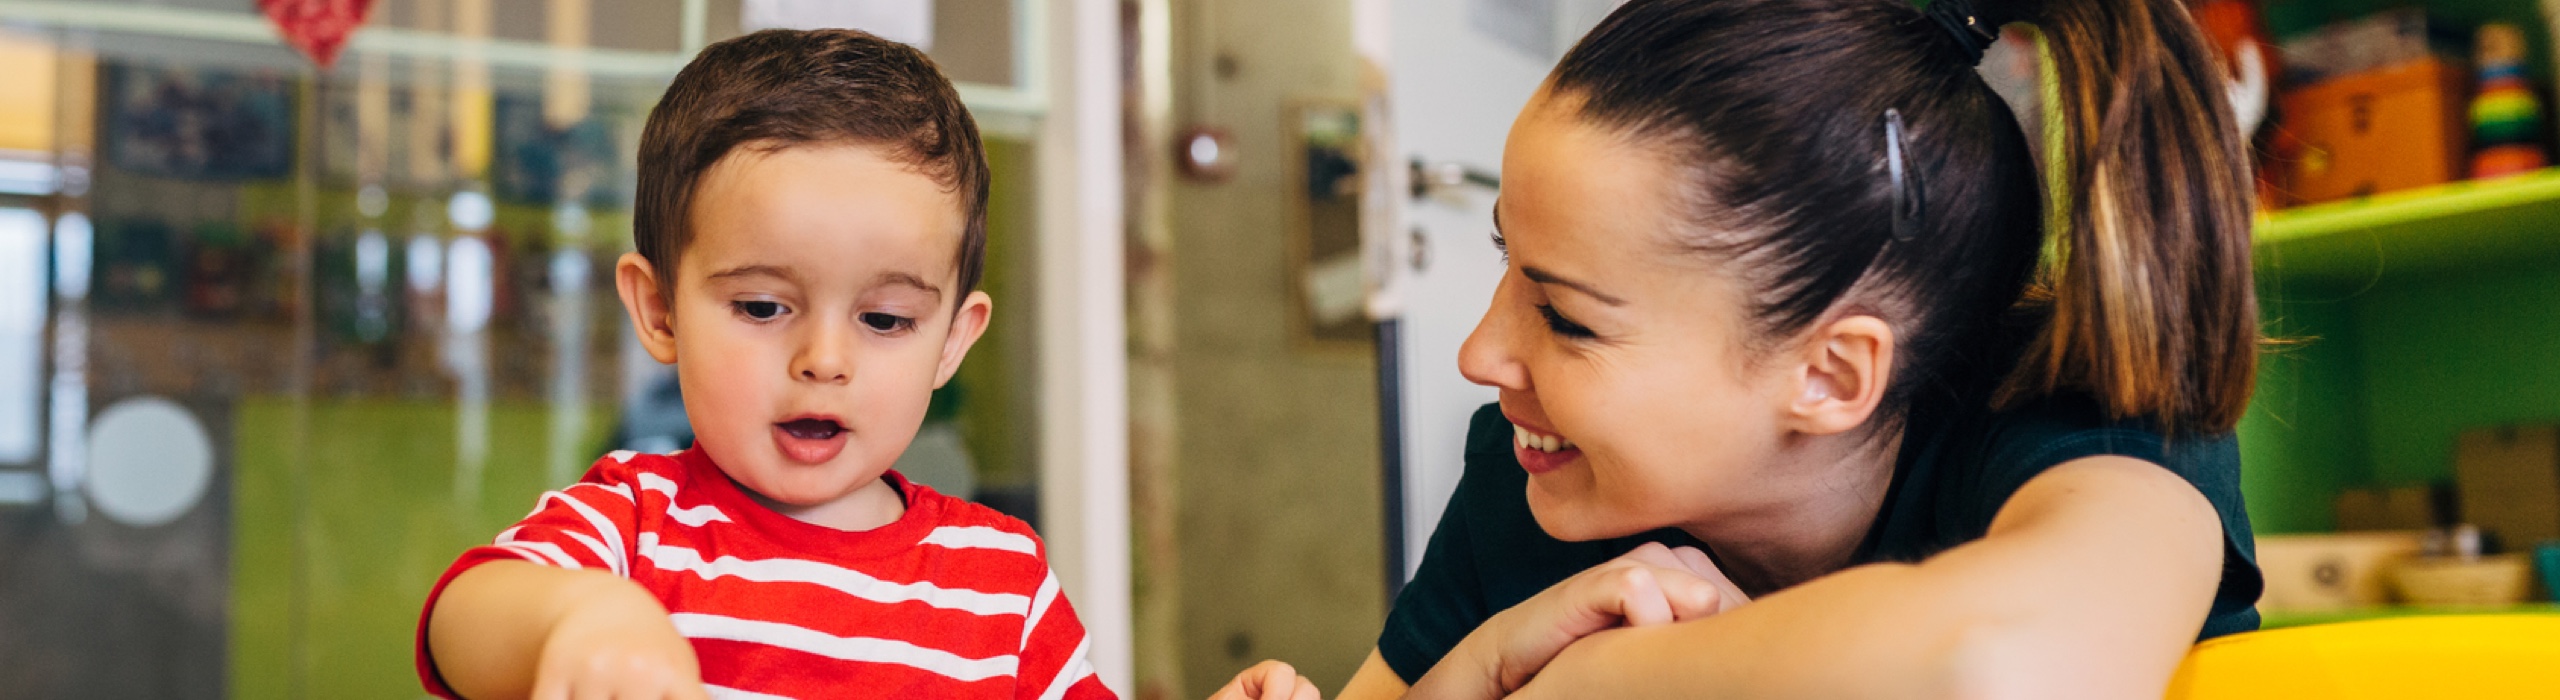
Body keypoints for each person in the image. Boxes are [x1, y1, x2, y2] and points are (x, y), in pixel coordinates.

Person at [1221, 0, 2262, 697]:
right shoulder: (1536, 477)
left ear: (1828, 373)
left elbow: (1998, 663)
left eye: (1568, 317)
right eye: (1506, 263)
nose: (1480, 355)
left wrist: (1593, 683)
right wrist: (1490, 661)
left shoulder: (2082, 425)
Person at [414, 29, 1113, 700]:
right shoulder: (633, 524)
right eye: (760, 308)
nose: (824, 360)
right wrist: (577, 617)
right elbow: (460, 623)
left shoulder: (1003, 583)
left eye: (884, 320)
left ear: (953, 343)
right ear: (661, 312)